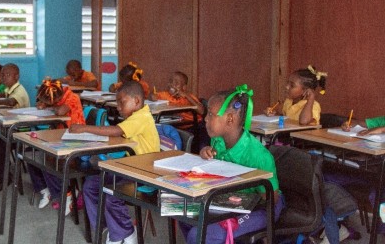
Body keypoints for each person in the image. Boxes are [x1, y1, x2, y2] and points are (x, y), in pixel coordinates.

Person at [180, 85, 284, 244]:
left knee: (199, 234)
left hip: (261, 208)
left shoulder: (258, 156)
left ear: (230, 119)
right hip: (227, 200)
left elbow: (271, 199)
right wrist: (205, 153)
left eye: (211, 114)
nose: (205, 118)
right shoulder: (218, 140)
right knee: (179, 211)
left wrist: (233, 209)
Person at [69, 81, 160, 244]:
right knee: (90, 185)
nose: (118, 107)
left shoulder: (143, 117)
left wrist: (84, 128)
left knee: (110, 192)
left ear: (137, 101)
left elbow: (118, 131)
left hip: (143, 174)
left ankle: (126, 232)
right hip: (128, 168)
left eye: (122, 102)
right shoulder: (135, 117)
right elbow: (120, 135)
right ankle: (107, 228)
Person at [28, 78, 86, 209]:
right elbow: (54, 107)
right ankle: (45, 189)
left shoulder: (72, 97)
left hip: (75, 140)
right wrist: (44, 104)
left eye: (48, 100)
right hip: (59, 136)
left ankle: (66, 194)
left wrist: (50, 105)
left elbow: (61, 111)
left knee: (49, 162)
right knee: (32, 158)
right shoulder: (58, 99)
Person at [0, 63, 30, 193]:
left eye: (7, 75)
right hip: (8, 128)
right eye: (2, 75)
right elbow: (4, 94)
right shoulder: (10, 89)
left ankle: (2, 179)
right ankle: (1, 173)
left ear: (17, 76)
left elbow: (11, 102)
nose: (3, 78)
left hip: (19, 132)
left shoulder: (20, 90)